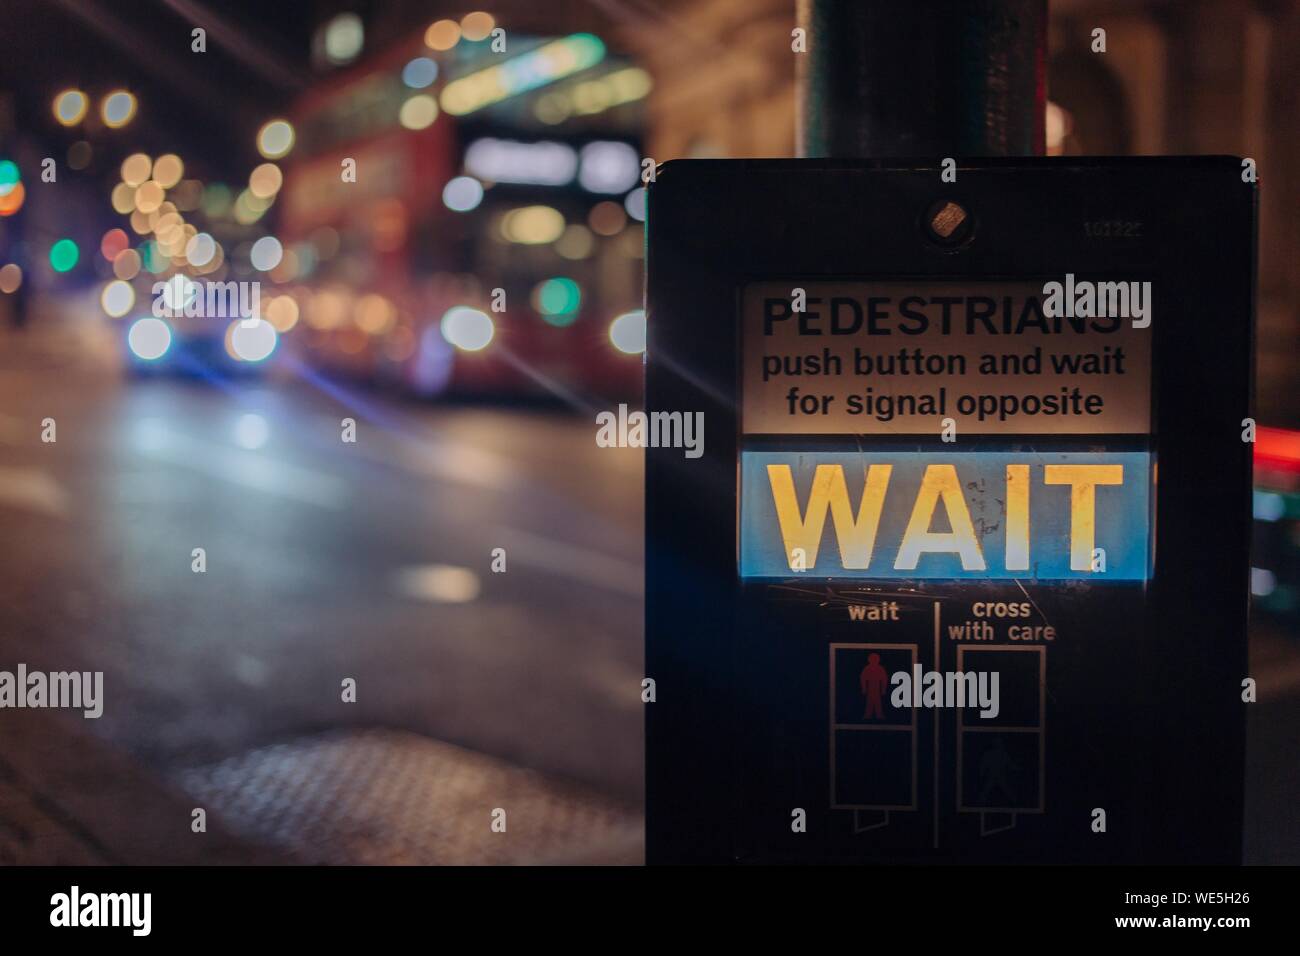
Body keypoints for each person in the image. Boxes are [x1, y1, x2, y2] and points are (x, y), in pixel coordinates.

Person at [859, 652, 888, 719]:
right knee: (869, 701)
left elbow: (884, 679)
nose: (874, 660)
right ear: (869, 660)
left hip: (877, 686)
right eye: (872, 659)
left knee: (878, 701)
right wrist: (864, 688)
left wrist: (883, 689)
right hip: (870, 687)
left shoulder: (880, 669)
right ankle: (868, 714)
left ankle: (879, 714)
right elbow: (863, 678)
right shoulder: (867, 668)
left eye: (875, 659)